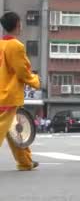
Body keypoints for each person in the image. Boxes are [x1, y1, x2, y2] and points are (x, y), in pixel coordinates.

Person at [0, 12, 40, 171]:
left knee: (14, 129)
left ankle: (25, 162)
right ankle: (25, 162)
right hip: (8, 94)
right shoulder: (16, 45)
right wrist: (35, 81)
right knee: (4, 127)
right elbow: (22, 71)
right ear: (17, 24)